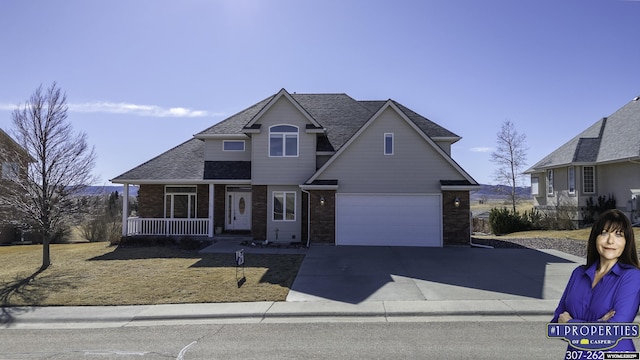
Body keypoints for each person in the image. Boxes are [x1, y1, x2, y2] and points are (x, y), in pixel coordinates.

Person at [552, 209, 640, 355]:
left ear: (626, 242)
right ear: (595, 237)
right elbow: (555, 324)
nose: (610, 241)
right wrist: (599, 324)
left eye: (618, 235)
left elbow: (613, 332)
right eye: (604, 233)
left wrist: (570, 323)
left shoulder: (632, 277)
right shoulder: (578, 273)